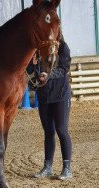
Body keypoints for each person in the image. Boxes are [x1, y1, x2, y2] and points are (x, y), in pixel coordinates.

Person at [27, 35, 72, 180]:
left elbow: (64, 70)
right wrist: (31, 65)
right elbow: (29, 72)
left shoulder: (63, 48)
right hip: (44, 96)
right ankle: (48, 167)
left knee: (61, 129)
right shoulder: (37, 50)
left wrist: (47, 76)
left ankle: (67, 168)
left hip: (60, 95)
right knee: (48, 131)